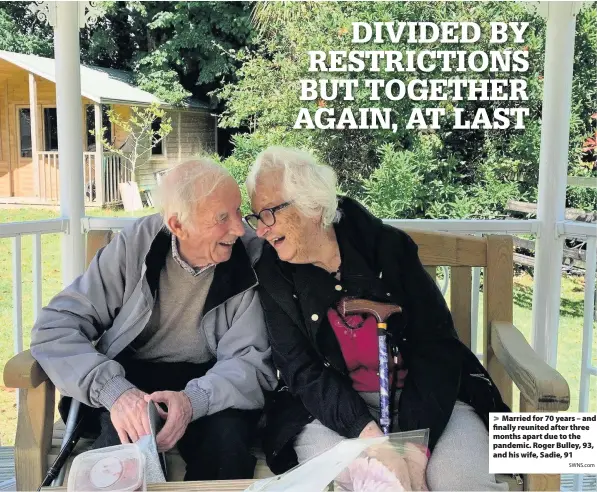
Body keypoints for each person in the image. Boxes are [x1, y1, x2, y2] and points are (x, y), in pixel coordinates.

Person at [246, 147, 510, 491]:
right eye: (255, 217)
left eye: (268, 214)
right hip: (333, 412)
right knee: (375, 482)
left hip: (426, 399)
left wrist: (414, 450)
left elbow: (436, 346)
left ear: (310, 204)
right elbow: (302, 371)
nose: (261, 231)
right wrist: (375, 443)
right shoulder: (273, 273)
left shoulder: (389, 249)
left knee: (463, 482)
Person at [30, 158, 277, 481]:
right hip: (131, 376)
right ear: (177, 225)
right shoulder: (136, 244)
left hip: (214, 380)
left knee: (226, 448)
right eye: (221, 218)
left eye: (236, 211)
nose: (239, 228)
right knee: (122, 451)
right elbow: (54, 328)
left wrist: (193, 401)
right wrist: (115, 392)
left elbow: (249, 362)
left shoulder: (252, 257)